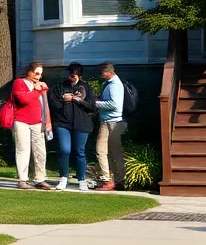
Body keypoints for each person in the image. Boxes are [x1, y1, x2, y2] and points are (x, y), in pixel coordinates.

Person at [47, 62, 96, 192]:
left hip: (81, 124)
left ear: (79, 75)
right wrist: (63, 100)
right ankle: (63, 177)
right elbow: (53, 103)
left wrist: (75, 99)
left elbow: (91, 107)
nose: (71, 77)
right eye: (70, 74)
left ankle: (81, 179)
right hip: (63, 123)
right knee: (64, 150)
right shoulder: (60, 87)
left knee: (80, 151)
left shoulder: (85, 87)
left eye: (74, 76)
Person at [11, 61, 53, 190]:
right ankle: (23, 179)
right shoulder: (19, 82)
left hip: (38, 122)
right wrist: (37, 91)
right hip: (21, 121)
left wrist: (47, 122)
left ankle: (40, 179)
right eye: (36, 73)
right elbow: (23, 100)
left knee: (40, 151)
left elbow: (45, 105)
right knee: (23, 150)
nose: (38, 76)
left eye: (40, 74)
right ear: (29, 72)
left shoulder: (41, 86)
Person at [95, 62, 126, 191]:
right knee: (102, 151)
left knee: (106, 151)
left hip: (113, 122)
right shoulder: (108, 84)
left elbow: (115, 105)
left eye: (102, 72)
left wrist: (96, 104)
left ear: (109, 72)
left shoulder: (115, 86)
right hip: (107, 121)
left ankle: (114, 180)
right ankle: (108, 179)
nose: (101, 75)